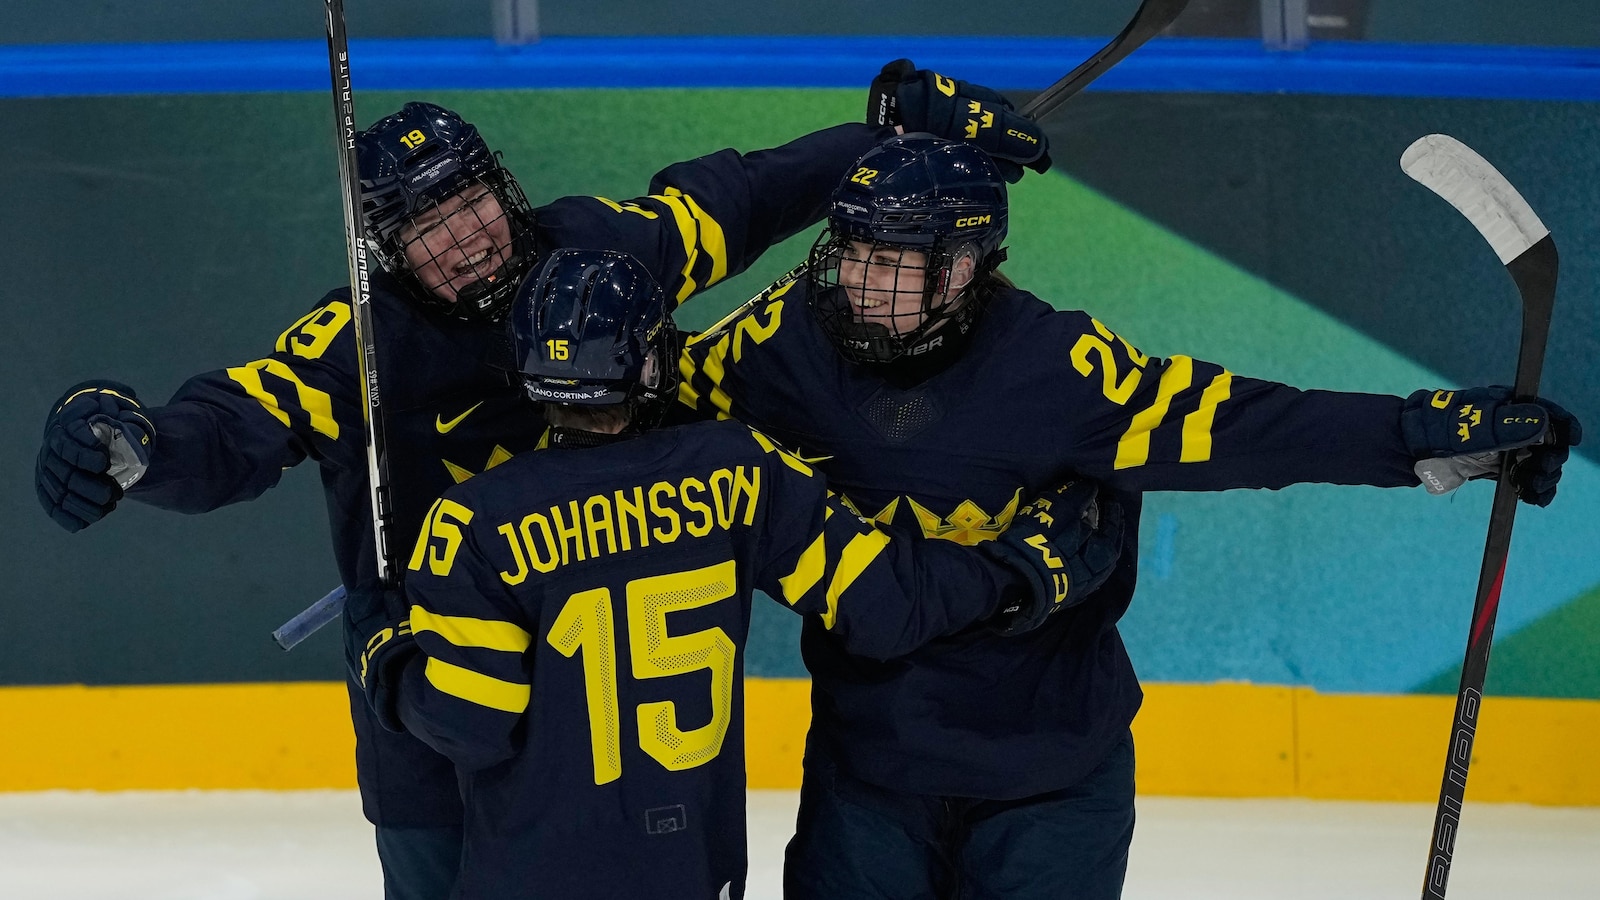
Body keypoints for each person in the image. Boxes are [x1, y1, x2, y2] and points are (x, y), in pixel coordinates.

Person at [32, 89, 1049, 900]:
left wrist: (885, 135)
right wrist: (138, 443)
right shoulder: (359, 346)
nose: (464, 239)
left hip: (606, 760)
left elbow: (739, 196)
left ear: (504, 188)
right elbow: (233, 426)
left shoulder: (597, 257)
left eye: (470, 201)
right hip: (437, 741)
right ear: (385, 248)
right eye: (424, 228)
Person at [675, 123, 1582, 896]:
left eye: (894, 262)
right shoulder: (777, 342)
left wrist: (1418, 431)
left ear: (962, 269)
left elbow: (1241, 427)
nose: (862, 284)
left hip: (1051, 780)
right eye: (854, 253)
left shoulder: (1057, 366)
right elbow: (642, 410)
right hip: (867, 776)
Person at [366, 246, 1121, 899]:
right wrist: (1019, 564)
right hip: (693, 868)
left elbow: (469, 722)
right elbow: (888, 604)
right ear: (652, 357)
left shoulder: (473, 521)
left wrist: (383, 648)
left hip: (535, 874)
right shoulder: (738, 467)